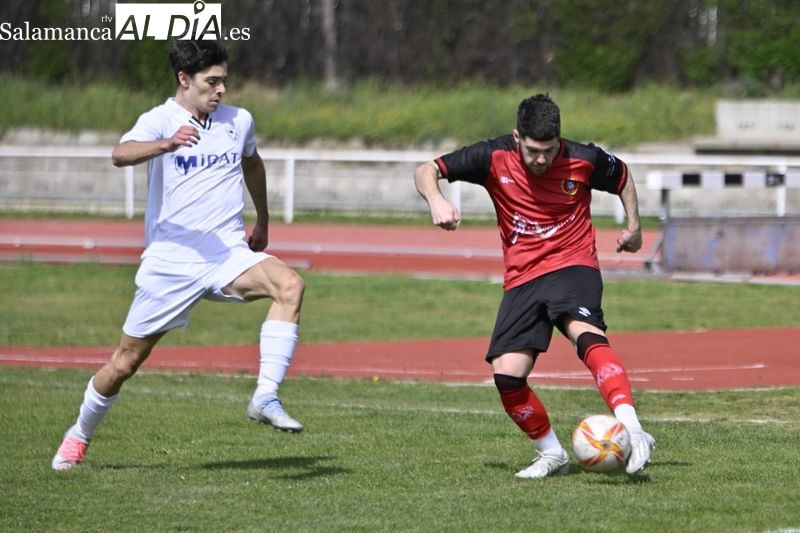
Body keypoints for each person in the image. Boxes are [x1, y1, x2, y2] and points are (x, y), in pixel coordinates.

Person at [52, 40, 306, 471]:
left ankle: (265, 395)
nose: (221, 89)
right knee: (125, 362)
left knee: (291, 285)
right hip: (171, 262)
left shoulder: (239, 120)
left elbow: (253, 164)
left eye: (224, 79)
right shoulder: (159, 119)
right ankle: (78, 436)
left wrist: (262, 220)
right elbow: (120, 154)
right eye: (212, 81)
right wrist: (167, 144)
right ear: (184, 80)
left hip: (226, 252)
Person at [414, 93, 655, 478]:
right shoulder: (492, 156)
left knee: (584, 334)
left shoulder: (583, 159)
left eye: (548, 150)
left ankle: (634, 427)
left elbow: (623, 175)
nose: (541, 159)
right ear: (516, 137)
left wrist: (635, 227)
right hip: (522, 277)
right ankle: (553, 454)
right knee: (507, 375)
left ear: (559, 140)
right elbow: (426, 169)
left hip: (573, 264)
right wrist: (436, 200)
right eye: (532, 151)